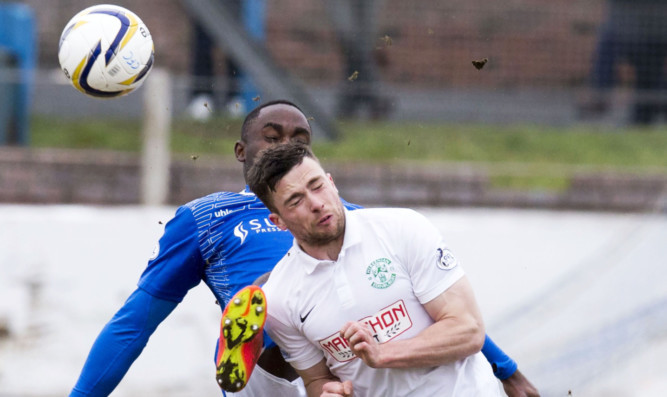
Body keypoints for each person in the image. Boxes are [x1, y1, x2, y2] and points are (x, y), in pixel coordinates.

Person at [69, 100, 538, 396]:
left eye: (300, 142)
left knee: (312, 319)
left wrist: (506, 368)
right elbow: (134, 324)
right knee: (267, 306)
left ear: (323, 172)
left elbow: (433, 301)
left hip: (331, 355)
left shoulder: (347, 216)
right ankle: (248, 328)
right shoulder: (205, 217)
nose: (286, 149)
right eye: (272, 139)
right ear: (240, 152)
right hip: (271, 347)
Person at [248, 142, 499, 396]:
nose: (316, 203)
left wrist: (383, 353)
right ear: (277, 221)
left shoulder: (403, 229)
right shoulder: (278, 298)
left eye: (317, 186)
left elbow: (468, 329)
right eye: (295, 200)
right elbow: (317, 380)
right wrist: (326, 393)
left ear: (331, 182)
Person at [581, 0, 667, 125]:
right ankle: (601, 95)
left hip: (655, 33)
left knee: (648, 77)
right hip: (629, 29)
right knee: (608, 42)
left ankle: (643, 117)